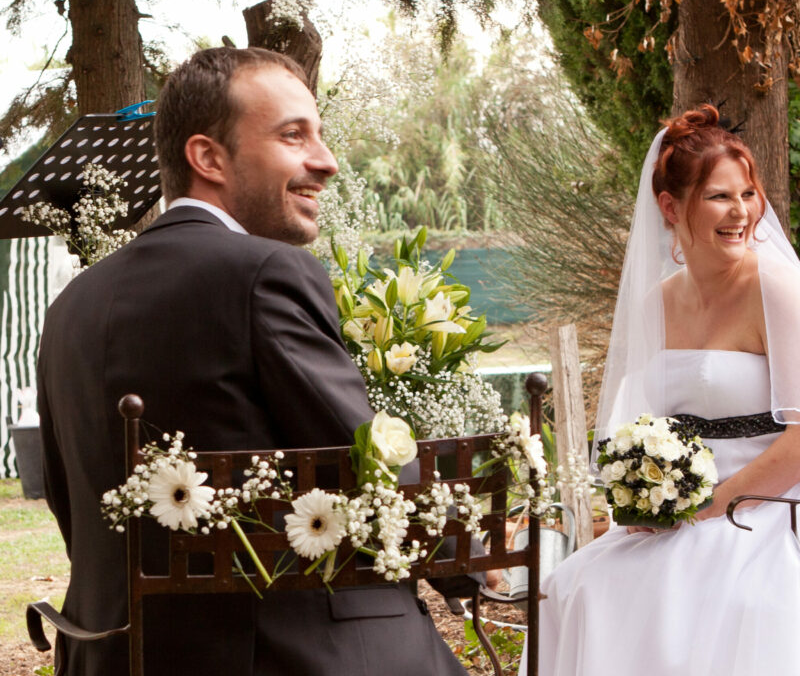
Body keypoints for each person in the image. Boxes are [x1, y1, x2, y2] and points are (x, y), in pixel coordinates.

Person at [37, 47, 471, 676]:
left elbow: (69, 504)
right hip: (280, 655)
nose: (325, 161)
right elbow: (366, 466)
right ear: (208, 157)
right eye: (293, 136)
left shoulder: (70, 305)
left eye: (318, 134)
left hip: (108, 654)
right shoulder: (269, 273)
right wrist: (479, 564)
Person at [521, 105, 800, 675]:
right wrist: (641, 497)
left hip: (770, 506)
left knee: (716, 599)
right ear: (672, 207)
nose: (742, 212)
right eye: (720, 197)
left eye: (748, 194)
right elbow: (639, 428)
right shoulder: (658, 304)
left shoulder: (776, 291)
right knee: (571, 588)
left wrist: (708, 507)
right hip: (685, 513)